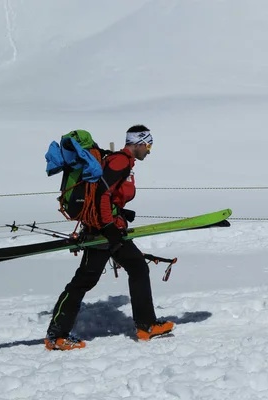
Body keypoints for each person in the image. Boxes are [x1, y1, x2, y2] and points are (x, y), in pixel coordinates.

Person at [45, 125, 174, 350]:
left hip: (111, 229)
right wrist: (108, 225)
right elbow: (100, 194)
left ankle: (146, 326)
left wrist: (120, 213)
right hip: (102, 231)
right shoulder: (120, 162)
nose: (149, 150)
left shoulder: (122, 162)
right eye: (148, 145)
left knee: (137, 268)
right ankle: (56, 336)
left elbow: (109, 195)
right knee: (84, 281)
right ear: (138, 143)